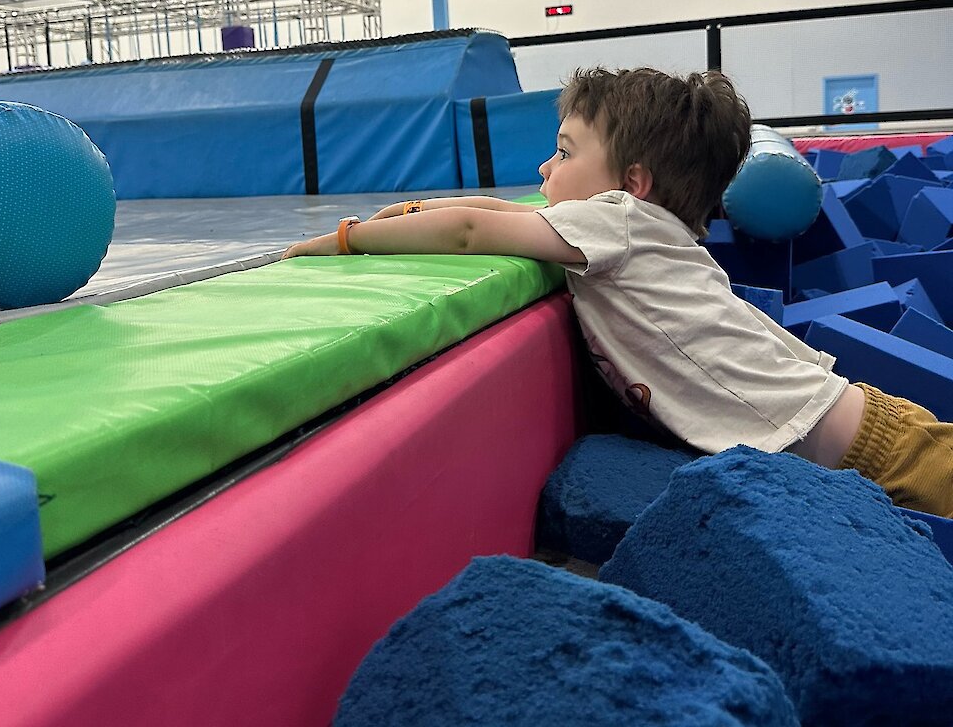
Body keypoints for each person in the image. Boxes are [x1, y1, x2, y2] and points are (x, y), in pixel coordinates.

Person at [284, 67, 953, 519]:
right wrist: (406, 213)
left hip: (879, 451)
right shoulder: (643, 227)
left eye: (565, 153)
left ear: (631, 183)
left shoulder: (619, 224)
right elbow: (495, 213)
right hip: (857, 435)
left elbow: (467, 232)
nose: (545, 169)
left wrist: (343, 239)